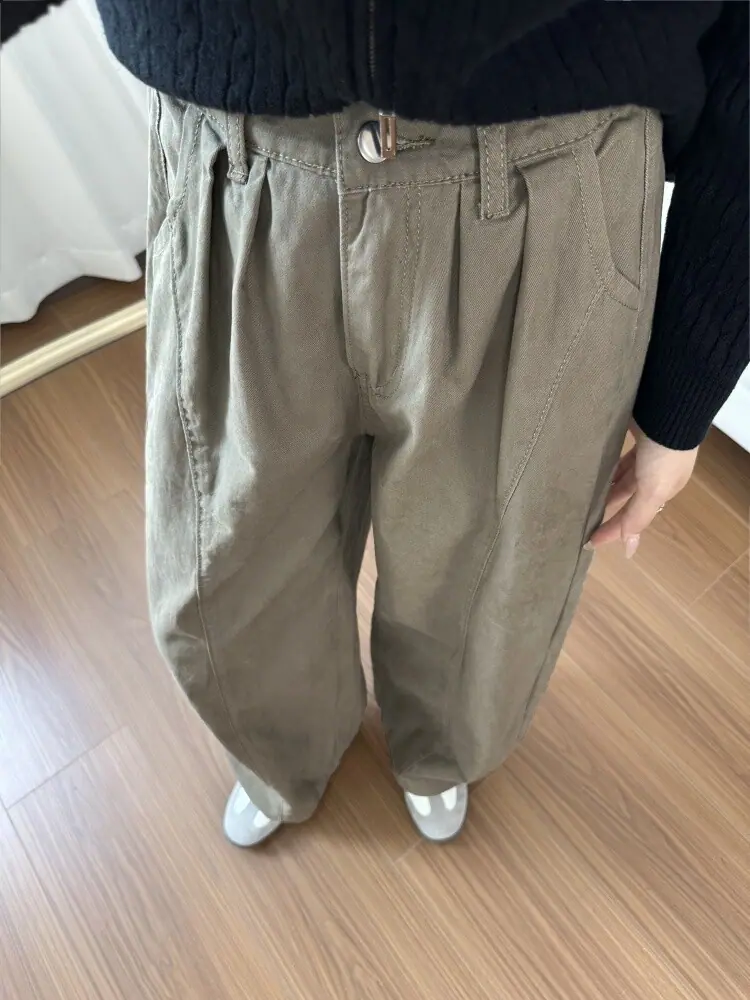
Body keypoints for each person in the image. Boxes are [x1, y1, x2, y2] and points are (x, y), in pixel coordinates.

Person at [94, 0, 747, 845]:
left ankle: (440, 754)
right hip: (240, 146)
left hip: (553, 165)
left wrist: (685, 394)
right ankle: (280, 753)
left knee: (491, 571)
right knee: (228, 563)